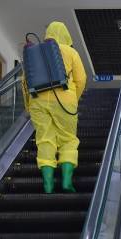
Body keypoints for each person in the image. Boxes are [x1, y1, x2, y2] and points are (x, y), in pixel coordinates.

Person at [21, 21, 87, 193]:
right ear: (66, 35)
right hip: (65, 100)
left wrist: (29, 106)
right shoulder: (70, 52)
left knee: (45, 139)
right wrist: (74, 99)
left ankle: (48, 184)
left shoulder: (34, 54)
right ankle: (66, 182)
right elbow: (81, 79)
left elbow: (25, 82)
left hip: (37, 101)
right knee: (68, 139)